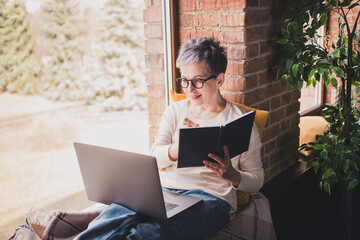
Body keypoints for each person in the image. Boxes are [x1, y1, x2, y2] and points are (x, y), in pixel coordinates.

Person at [74, 36, 264, 240]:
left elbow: (258, 179)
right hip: (163, 192)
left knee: (148, 233)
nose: (189, 89)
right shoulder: (175, 112)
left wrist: (233, 176)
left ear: (219, 79)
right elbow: (154, 157)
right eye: (184, 80)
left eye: (198, 81)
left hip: (211, 198)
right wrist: (176, 148)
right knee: (108, 219)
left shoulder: (241, 124)